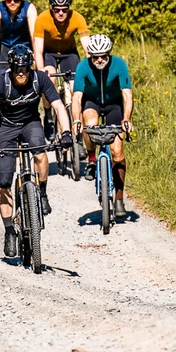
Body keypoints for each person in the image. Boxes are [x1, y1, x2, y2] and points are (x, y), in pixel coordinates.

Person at [0, 50, 72, 258]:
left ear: (30, 67)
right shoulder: (1, 83)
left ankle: (42, 193)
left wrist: (66, 132)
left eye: (25, 68)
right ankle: (9, 230)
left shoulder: (40, 79)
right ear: (11, 68)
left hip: (31, 123)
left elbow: (58, 106)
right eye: (17, 69)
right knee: (4, 182)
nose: (21, 73)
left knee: (40, 151)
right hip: (7, 127)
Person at [72, 33, 135, 219]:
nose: (99, 60)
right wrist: (76, 119)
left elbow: (127, 94)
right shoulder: (82, 67)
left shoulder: (119, 64)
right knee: (90, 124)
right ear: (90, 55)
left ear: (109, 54)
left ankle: (119, 198)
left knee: (117, 152)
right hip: (91, 102)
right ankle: (92, 158)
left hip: (114, 104)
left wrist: (126, 119)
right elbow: (77, 97)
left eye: (103, 56)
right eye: (95, 57)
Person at [32, 0, 89, 83]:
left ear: (69, 9)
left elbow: (87, 47)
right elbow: (38, 50)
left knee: (74, 83)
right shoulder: (42, 19)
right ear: (51, 9)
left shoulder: (78, 18)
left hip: (69, 52)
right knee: (48, 80)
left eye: (64, 10)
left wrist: (91, 67)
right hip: (48, 52)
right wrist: (41, 69)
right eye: (57, 10)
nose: (61, 13)